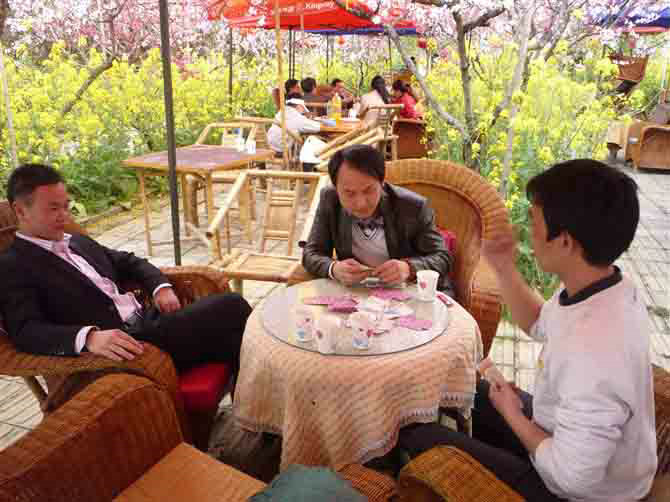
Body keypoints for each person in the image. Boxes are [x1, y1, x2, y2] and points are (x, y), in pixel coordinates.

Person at [398, 160, 657, 501]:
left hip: (578, 491)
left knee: (418, 436)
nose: (528, 233)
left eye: (534, 222)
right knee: (457, 387)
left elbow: (572, 478)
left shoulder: (593, 352)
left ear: (565, 242)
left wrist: (512, 413)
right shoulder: (609, 286)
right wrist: (503, 267)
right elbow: (540, 322)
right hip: (562, 433)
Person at [0, 164, 253, 382]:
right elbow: (26, 330)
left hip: (152, 321)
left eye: (66, 207)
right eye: (53, 209)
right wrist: (89, 337)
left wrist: (161, 287)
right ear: (20, 211)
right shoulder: (14, 265)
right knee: (232, 306)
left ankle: (251, 413)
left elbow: (129, 262)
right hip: (127, 345)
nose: (64, 216)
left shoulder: (76, 241)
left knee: (237, 343)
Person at [302, 144, 453, 294]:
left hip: (410, 291)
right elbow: (311, 253)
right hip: (357, 293)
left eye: (369, 190)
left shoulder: (413, 207)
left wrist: (409, 268)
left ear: (382, 182)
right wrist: (334, 269)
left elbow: (442, 257)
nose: (360, 203)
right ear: (336, 188)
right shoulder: (330, 199)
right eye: (349, 193)